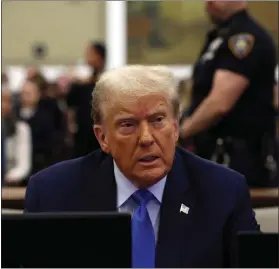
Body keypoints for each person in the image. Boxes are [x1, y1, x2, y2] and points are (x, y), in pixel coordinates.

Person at [25, 65, 259, 268]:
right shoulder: (53, 194)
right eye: (128, 125)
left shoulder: (224, 192)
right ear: (103, 137)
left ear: (176, 128)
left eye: (158, 120)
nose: (146, 138)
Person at [180, 1, 277, 187]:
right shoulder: (220, 36)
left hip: (237, 157)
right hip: (212, 153)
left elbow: (219, 104)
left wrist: (180, 133)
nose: (208, 2)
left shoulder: (245, 38)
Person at [66, 42, 106, 158]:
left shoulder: (107, 83)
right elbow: (71, 106)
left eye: (90, 53)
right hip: (83, 133)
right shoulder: (81, 84)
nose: (87, 57)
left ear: (99, 56)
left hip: (100, 133)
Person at [2, 89, 32, 185]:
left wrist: (7, 178)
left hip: (11, 183)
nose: (2, 105)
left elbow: (23, 165)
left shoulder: (21, 128)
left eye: (6, 101)